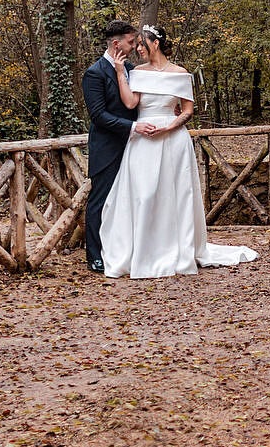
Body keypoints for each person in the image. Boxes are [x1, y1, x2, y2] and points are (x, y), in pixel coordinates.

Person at [97, 24, 260, 278]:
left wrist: (168, 127)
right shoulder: (137, 72)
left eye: (142, 43)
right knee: (145, 195)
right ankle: (144, 252)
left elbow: (187, 111)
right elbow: (130, 103)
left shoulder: (180, 73)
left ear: (156, 43)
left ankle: (177, 249)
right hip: (143, 139)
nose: (138, 48)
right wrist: (120, 72)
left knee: (175, 195)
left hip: (173, 139)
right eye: (136, 44)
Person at [82, 19, 142, 274]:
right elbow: (98, 116)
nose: (134, 46)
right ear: (116, 44)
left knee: (129, 200)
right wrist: (133, 127)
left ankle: (121, 251)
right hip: (107, 148)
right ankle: (95, 256)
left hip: (135, 147)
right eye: (131, 42)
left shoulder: (130, 70)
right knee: (100, 201)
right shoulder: (94, 73)